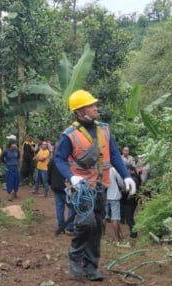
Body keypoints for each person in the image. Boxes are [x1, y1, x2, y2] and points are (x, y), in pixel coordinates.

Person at [53, 89, 135, 282]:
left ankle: (91, 267)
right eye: (91, 105)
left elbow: (114, 155)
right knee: (86, 223)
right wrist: (72, 177)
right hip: (82, 190)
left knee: (97, 226)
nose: (96, 107)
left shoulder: (104, 129)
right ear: (80, 111)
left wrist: (126, 176)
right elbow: (59, 159)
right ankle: (75, 258)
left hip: (101, 187)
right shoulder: (69, 135)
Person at [48, 158, 74, 235]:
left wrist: (51, 184)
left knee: (59, 207)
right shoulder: (70, 160)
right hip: (69, 187)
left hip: (56, 187)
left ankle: (61, 226)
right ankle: (70, 227)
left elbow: (49, 173)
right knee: (72, 206)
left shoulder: (53, 160)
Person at [104, 167, 124, 242]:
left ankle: (103, 235)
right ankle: (117, 238)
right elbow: (120, 182)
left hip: (103, 196)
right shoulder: (113, 169)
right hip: (114, 195)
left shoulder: (100, 168)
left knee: (104, 216)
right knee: (115, 218)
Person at [122, 165, 142, 238]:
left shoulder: (133, 178)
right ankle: (133, 233)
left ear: (131, 170)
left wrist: (123, 189)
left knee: (129, 218)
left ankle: (133, 234)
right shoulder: (136, 177)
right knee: (130, 218)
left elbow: (130, 190)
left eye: (127, 170)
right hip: (132, 201)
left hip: (130, 201)